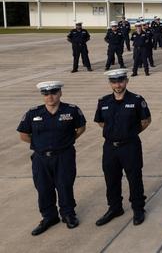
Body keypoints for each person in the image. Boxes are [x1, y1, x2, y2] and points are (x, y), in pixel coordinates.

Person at [17, 81, 86, 235]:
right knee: (43, 188)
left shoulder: (71, 110)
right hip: (41, 158)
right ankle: (49, 217)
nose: (50, 97)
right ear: (43, 96)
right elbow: (23, 134)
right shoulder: (33, 113)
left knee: (65, 185)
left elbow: (81, 128)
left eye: (54, 93)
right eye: (46, 94)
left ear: (60, 93)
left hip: (64, 156)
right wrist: (40, 146)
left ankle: (68, 214)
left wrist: (67, 142)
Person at [94, 69, 151, 226]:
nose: (117, 85)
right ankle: (114, 208)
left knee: (134, 178)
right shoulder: (103, 101)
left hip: (130, 146)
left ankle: (138, 208)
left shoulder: (137, 100)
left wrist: (129, 133)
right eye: (114, 82)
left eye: (120, 81)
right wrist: (114, 134)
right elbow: (100, 122)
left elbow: (145, 121)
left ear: (126, 81)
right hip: (110, 147)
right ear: (110, 83)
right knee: (111, 178)